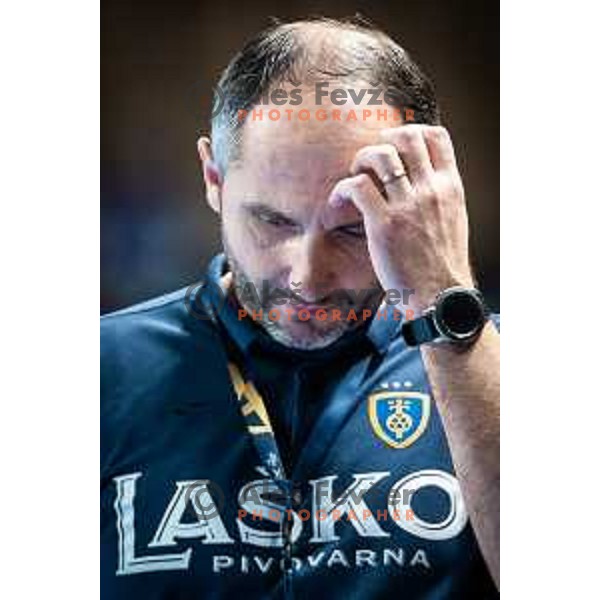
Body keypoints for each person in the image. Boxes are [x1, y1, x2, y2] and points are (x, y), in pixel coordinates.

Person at [101, 17, 499, 599]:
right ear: (213, 177)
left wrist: (445, 307)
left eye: (352, 229)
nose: (307, 279)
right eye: (272, 220)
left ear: (426, 200)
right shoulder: (95, 368)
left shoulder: (500, 370)